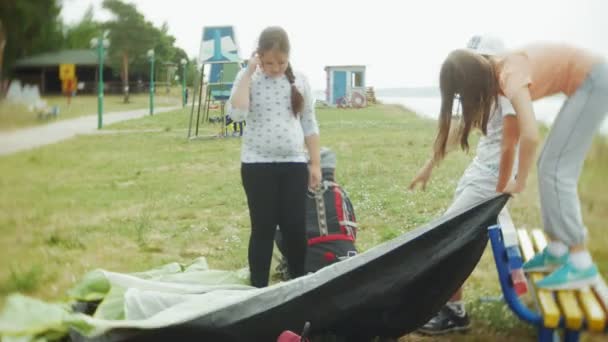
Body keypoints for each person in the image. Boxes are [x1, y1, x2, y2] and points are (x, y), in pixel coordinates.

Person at [434, 42, 608, 291]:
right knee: (549, 166)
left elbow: (530, 134)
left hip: (595, 80)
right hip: (590, 81)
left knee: (556, 169)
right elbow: (509, 141)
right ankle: (558, 249)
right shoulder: (499, 72)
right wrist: (503, 184)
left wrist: (520, 182)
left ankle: (580, 261)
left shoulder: (509, 76)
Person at [410, 35, 518, 335]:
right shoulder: (488, 92)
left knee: (451, 238)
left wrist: (503, 185)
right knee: (456, 237)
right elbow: (462, 129)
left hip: (490, 181)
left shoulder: (508, 91)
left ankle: (453, 312)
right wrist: (429, 166)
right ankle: (452, 305)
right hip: (479, 173)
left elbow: (512, 144)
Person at [228, 26, 321, 288]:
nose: (275, 67)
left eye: (281, 61)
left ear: (289, 56)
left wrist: (314, 163)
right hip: (257, 166)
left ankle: (298, 283)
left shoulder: (299, 80)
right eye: (268, 62)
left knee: (295, 227)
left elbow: (310, 124)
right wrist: (249, 71)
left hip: (293, 165)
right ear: (258, 56)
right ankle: (258, 287)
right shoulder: (249, 78)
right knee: (263, 228)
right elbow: (237, 113)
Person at [275, 147, 358, 279]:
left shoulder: (288, 196)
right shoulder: (339, 193)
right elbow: (351, 230)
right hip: (346, 258)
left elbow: (281, 238)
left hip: (306, 264)